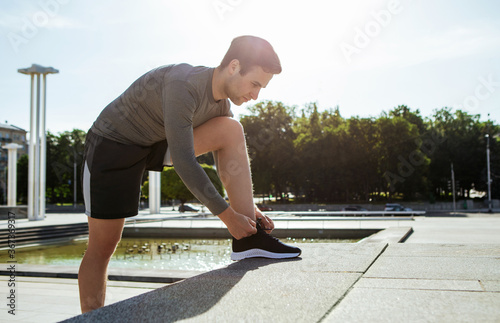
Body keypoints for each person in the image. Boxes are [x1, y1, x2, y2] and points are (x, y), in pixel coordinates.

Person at [78, 35, 301, 313]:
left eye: (261, 88)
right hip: (112, 146)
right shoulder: (182, 85)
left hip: (157, 143)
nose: (256, 95)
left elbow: (224, 163)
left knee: (231, 129)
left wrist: (247, 209)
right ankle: (90, 319)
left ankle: (249, 239)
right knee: (103, 246)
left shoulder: (222, 106)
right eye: (255, 84)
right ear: (233, 66)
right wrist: (227, 216)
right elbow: (184, 161)